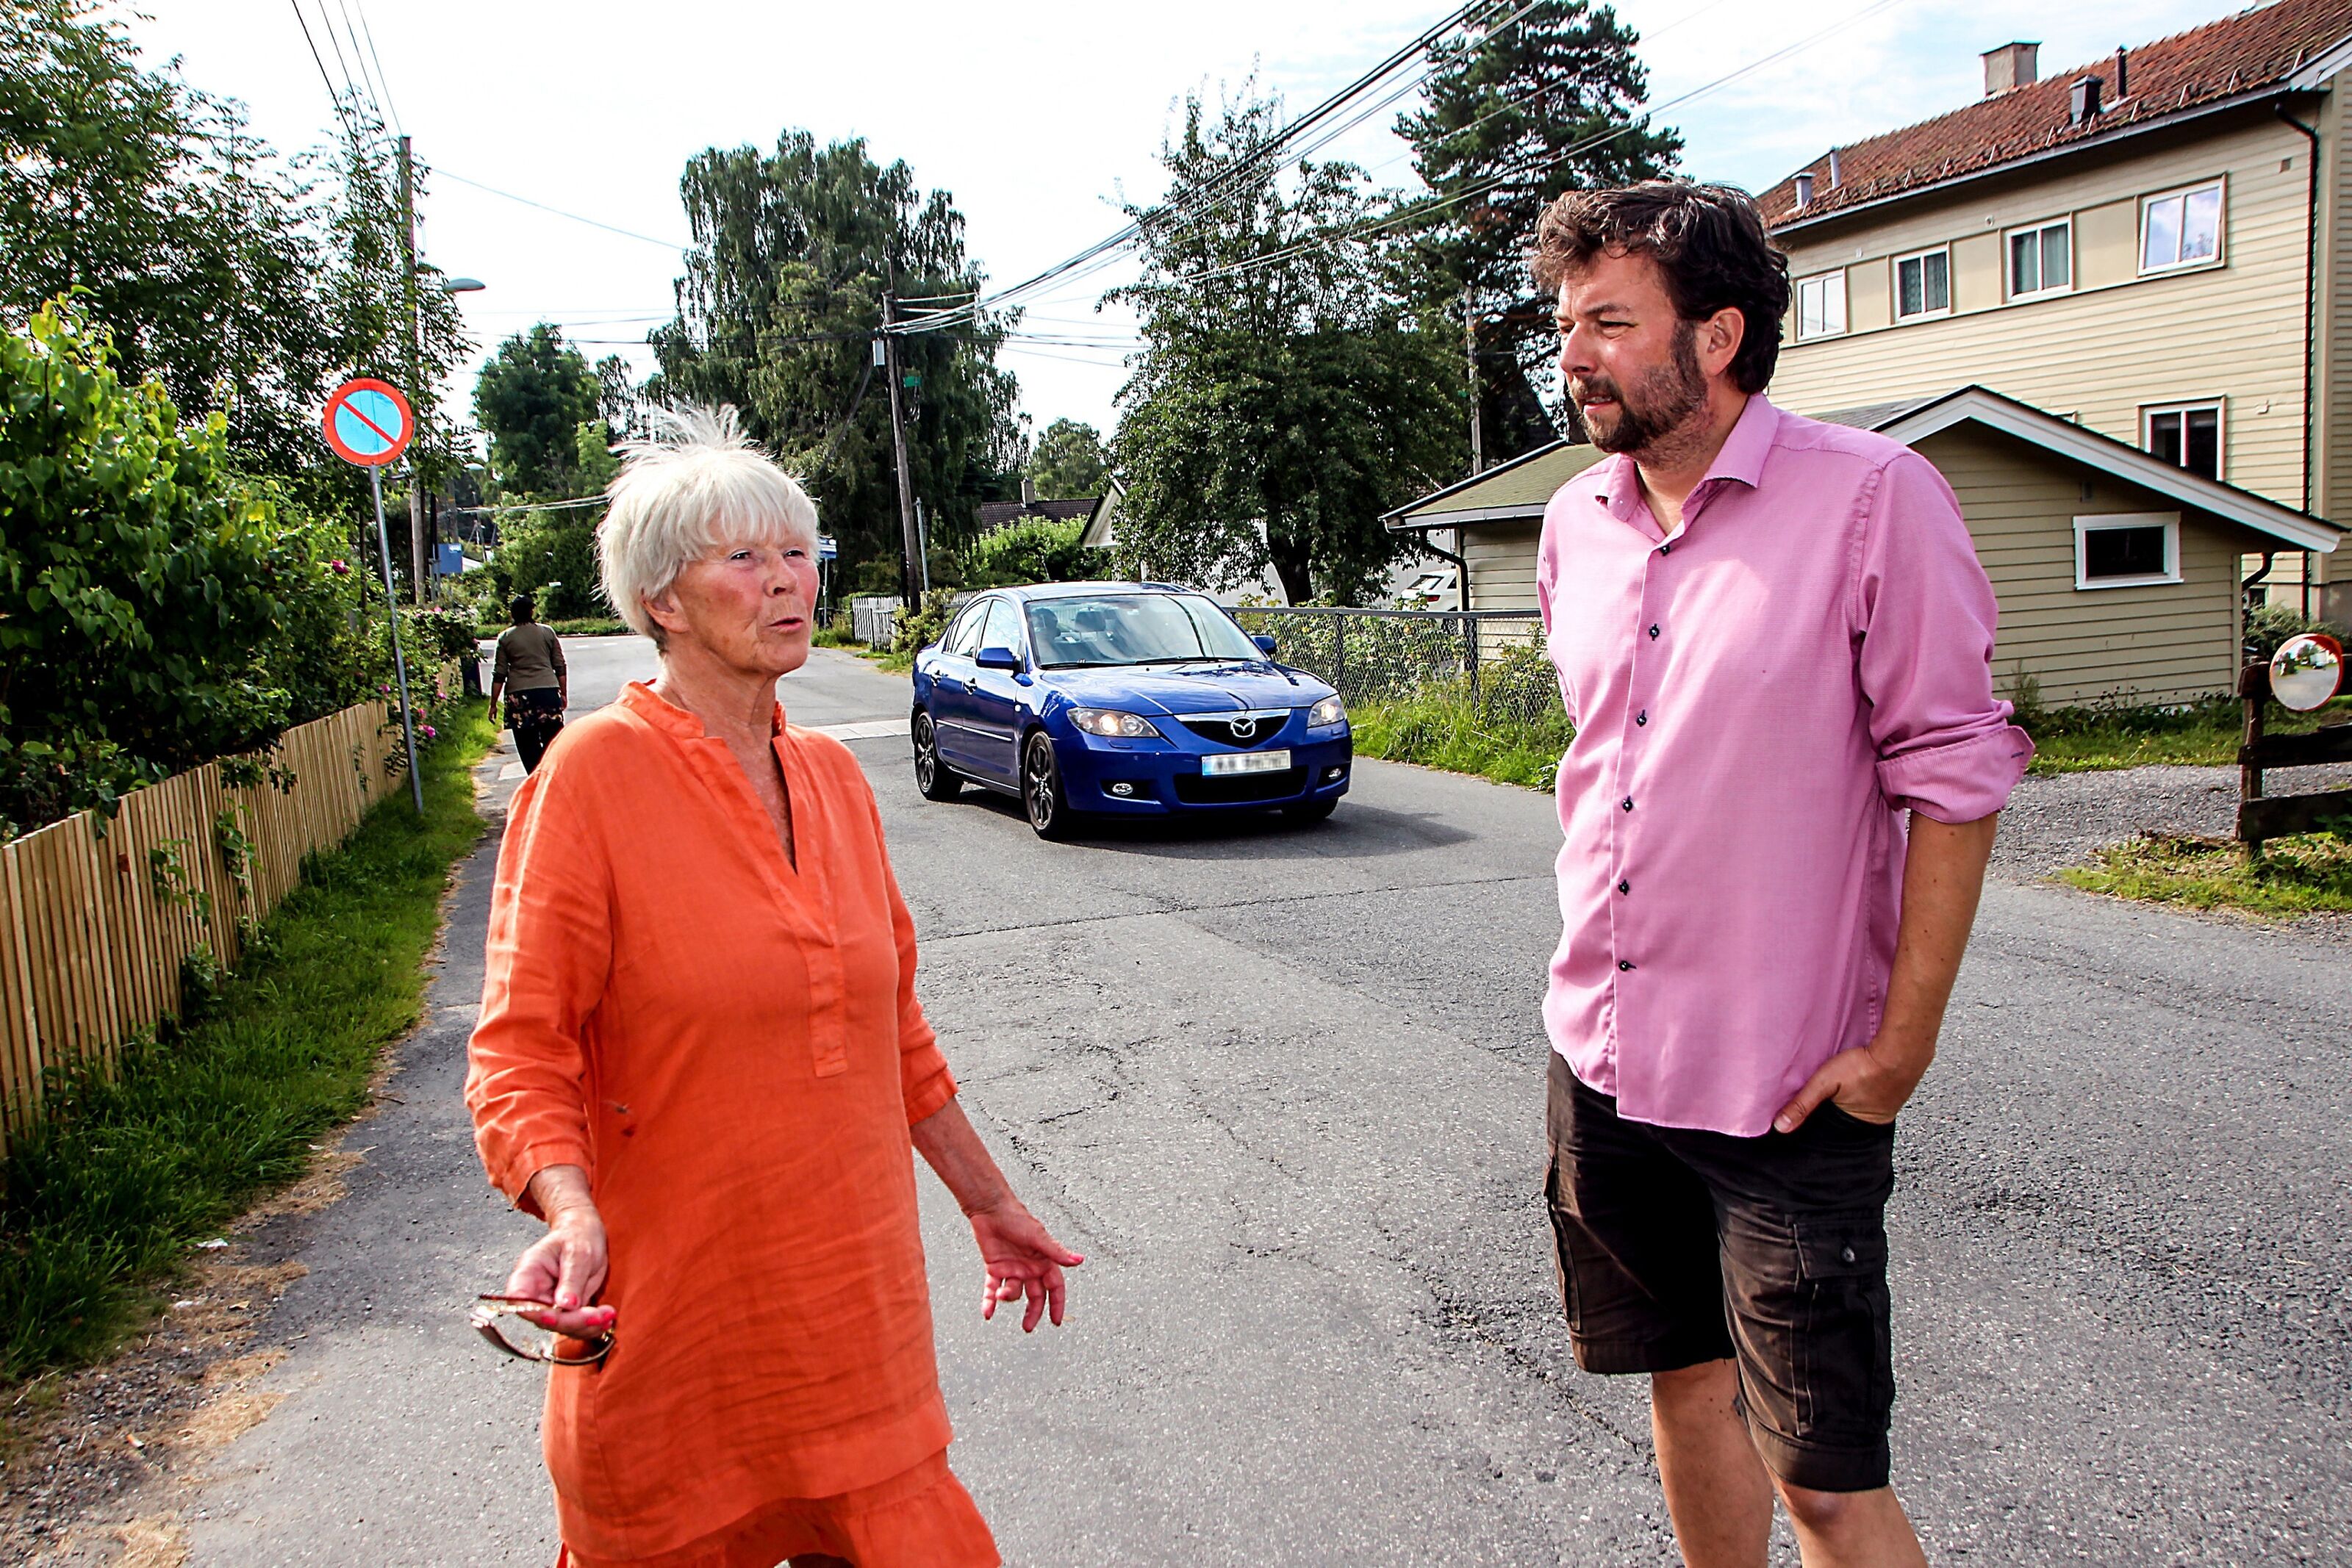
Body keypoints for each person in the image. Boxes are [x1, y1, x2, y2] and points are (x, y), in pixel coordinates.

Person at [465, 404, 1081, 1568]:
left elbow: (892, 1030)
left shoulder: (836, 780)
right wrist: (570, 1206)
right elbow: (519, 1047)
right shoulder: (592, 780)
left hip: (854, 1318)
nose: (786, 582)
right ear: (662, 599)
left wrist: (989, 1201)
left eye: (798, 552)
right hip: (677, 1326)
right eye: (742, 558)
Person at [1528, 181, 2032, 1568]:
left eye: (1610, 322)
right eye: (1564, 321)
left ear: (1720, 334)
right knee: (1684, 1382)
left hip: (1786, 1085)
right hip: (1607, 1059)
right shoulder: (1574, 522)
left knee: (1825, 1476)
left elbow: (1957, 777)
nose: (1571, 354)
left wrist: (1901, 1043)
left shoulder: (1876, 500)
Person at [489, 593, 569, 773]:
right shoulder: (547, 632)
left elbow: (499, 674)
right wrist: (563, 693)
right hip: (548, 694)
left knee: (527, 745)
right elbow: (560, 666)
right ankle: (554, 778)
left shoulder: (505, 637)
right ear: (532, 611)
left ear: (512, 614)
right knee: (553, 742)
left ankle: (536, 780)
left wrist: (493, 704)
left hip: (519, 698)